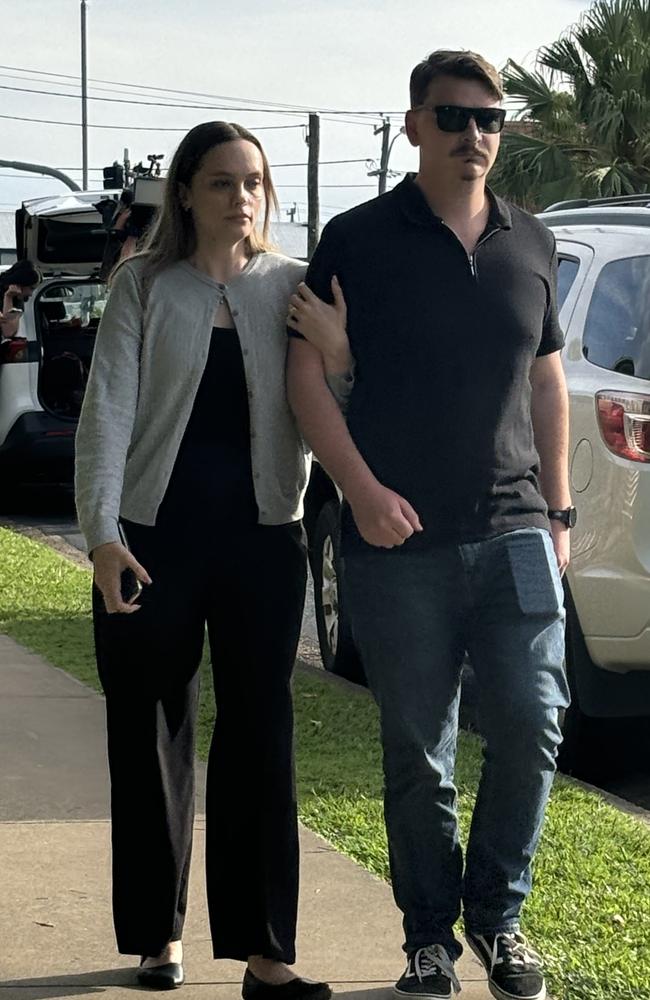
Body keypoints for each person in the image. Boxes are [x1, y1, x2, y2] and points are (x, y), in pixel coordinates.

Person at [287, 50, 573, 1000]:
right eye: (453, 117)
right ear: (412, 124)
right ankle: (428, 938)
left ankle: (500, 917)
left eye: (490, 118)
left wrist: (560, 513)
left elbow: (545, 377)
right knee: (419, 751)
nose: (473, 135)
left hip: (518, 532)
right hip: (397, 546)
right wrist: (360, 491)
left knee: (533, 726)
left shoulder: (532, 241)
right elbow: (308, 382)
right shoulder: (357, 239)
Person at [75, 121, 334, 1000]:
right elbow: (107, 413)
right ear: (184, 192)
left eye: (254, 181)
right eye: (222, 182)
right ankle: (159, 937)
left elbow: (335, 397)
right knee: (153, 732)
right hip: (155, 537)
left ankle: (266, 954)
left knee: (262, 733)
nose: (242, 196)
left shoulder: (293, 287)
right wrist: (103, 537)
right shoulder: (143, 286)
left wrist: (337, 348)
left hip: (265, 537)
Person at [0, 259, 40, 342]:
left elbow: (9, 331)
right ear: (19, 283)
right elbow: (8, 331)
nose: (30, 294)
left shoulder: (17, 300)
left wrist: (9, 297)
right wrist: (9, 297)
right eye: (31, 288)